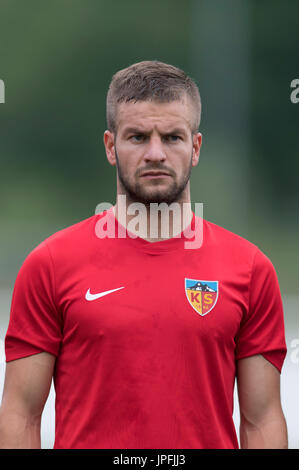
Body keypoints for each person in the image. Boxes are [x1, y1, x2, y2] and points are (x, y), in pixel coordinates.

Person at [0, 60, 287, 449]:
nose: (156, 153)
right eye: (137, 137)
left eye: (172, 137)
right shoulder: (50, 265)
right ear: (110, 146)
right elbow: (21, 412)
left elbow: (262, 419)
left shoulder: (251, 270)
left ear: (196, 147)